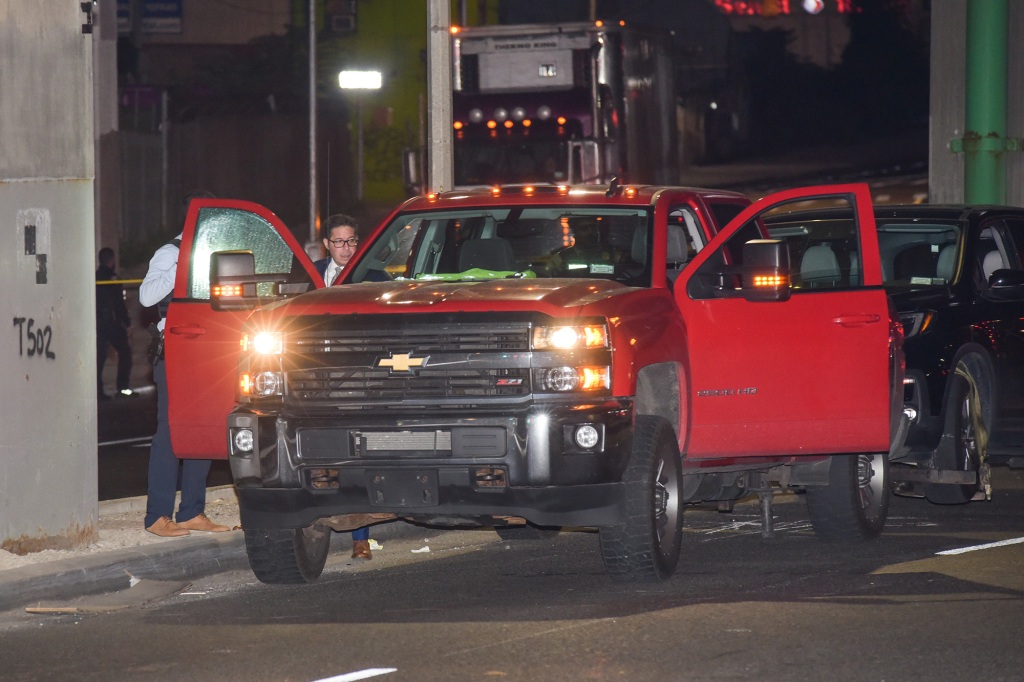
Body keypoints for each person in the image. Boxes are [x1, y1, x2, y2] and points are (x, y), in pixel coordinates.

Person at [137, 191, 232, 538]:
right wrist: (181, 265)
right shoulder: (170, 252)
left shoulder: (215, 254)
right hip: (175, 350)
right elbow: (146, 296)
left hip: (206, 351)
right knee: (169, 432)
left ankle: (192, 511)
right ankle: (156, 515)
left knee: (202, 427)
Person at [313, 214, 374, 559]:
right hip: (315, 378)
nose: (346, 249)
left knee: (358, 453)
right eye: (338, 242)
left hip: (360, 379)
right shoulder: (309, 275)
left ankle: (360, 539)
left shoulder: (376, 276)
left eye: (351, 241)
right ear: (327, 244)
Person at [95, 247, 133, 400]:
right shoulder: (113, 278)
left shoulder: (94, 277)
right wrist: (127, 323)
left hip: (98, 323)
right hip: (111, 322)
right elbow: (118, 303)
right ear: (112, 261)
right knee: (125, 353)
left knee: (99, 357)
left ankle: (97, 391)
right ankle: (122, 389)